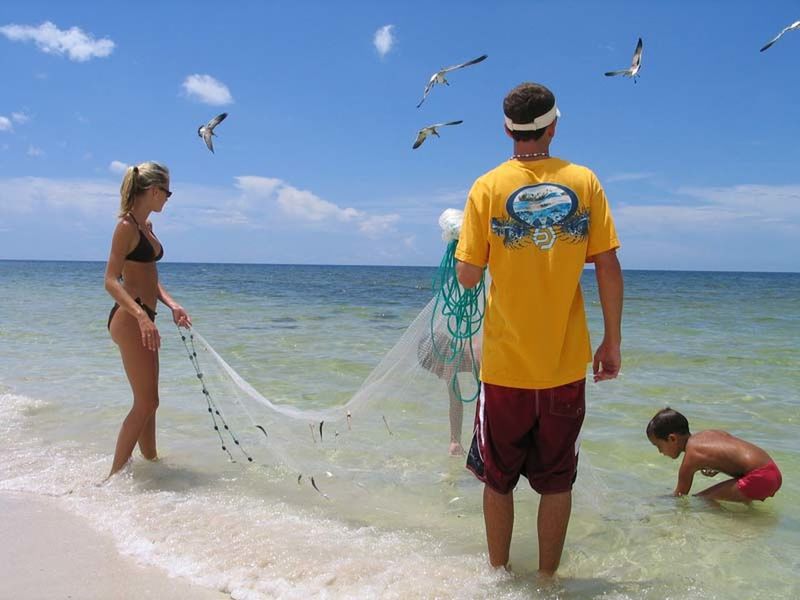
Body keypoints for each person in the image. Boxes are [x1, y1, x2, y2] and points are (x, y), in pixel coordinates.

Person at [455, 82, 623, 576]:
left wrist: (458, 246)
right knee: (557, 483)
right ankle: (548, 581)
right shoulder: (584, 180)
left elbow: (467, 277)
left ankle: (498, 577)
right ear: (553, 125)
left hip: (504, 367)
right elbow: (607, 266)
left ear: (507, 129)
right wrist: (611, 341)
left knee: (497, 481)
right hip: (564, 365)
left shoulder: (486, 187)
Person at [104, 162, 191, 477]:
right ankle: (114, 478)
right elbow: (111, 280)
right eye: (167, 191)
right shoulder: (126, 226)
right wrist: (141, 317)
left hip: (146, 317)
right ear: (154, 191)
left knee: (150, 402)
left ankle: (151, 463)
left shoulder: (146, 228)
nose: (168, 198)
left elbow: (148, 276)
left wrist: (171, 304)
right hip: (131, 319)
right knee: (145, 402)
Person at [646, 407, 782, 503]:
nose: (660, 452)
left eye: (659, 446)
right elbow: (729, 451)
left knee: (701, 499)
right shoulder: (708, 434)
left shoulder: (691, 457)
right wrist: (717, 467)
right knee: (726, 493)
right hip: (772, 471)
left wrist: (657, 501)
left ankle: (727, 528)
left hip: (759, 477)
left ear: (672, 439)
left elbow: (680, 496)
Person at [417, 330, 482, 455]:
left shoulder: (477, 357)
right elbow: (455, 402)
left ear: (447, 354)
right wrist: (455, 441)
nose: (441, 376)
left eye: (440, 370)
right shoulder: (453, 356)